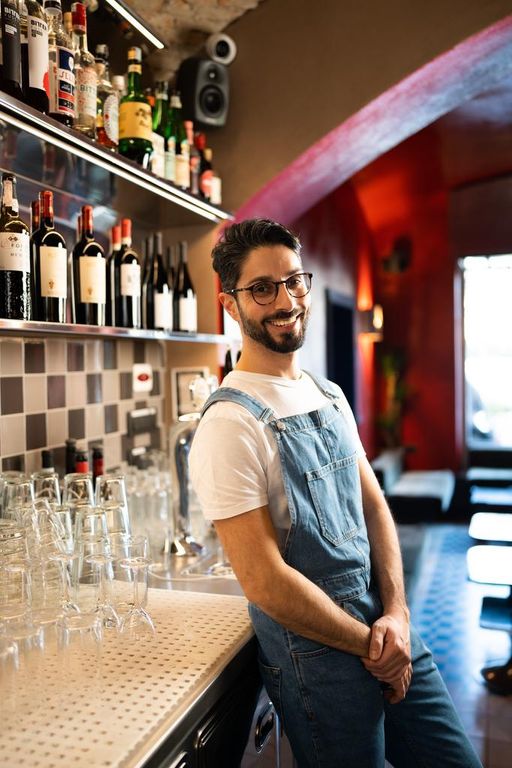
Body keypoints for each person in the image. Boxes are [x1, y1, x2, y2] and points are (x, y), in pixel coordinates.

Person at [189, 219, 482, 768]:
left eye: (293, 281)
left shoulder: (328, 394)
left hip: (386, 626)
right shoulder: (230, 423)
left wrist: (396, 615)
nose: (286, 301)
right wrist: (372, 647)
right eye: (262, 289)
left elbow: (374, 507)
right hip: (317, 657)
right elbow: (264, 582)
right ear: (230, 304)